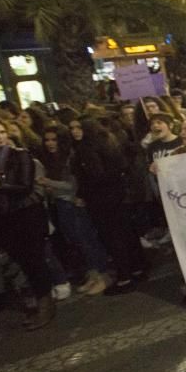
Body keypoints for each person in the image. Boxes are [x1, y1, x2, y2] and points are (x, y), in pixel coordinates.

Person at [69, 117, 147, 295]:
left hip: (102, 200)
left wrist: (82, 193)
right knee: (126, 233)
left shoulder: (86, 149)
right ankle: (137, 268)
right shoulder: (107, 142)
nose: (74, 131)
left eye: (79, 127)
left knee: (113, 238)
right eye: (72, 128)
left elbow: (94, 176)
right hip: (116, 196)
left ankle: (124, 277)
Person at [0, 118, 56, 329]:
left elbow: (25, 186)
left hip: (26, 216)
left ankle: (45, 304)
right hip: (4, 218)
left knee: (34, 260)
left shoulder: (20, 155)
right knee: (20, 261)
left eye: (2, 132)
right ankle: (35, 301)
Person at [37, 126, 111, 296]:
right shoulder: (50, 159)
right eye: (47, 140)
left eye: (54, 139)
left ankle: (103, 275)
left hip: (73, 203)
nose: (50, 143)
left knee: (87, 240)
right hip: (61, 203)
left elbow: (71, 185)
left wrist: (48, 183)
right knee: (78, 241)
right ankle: (93, 274)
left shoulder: (69, 157)